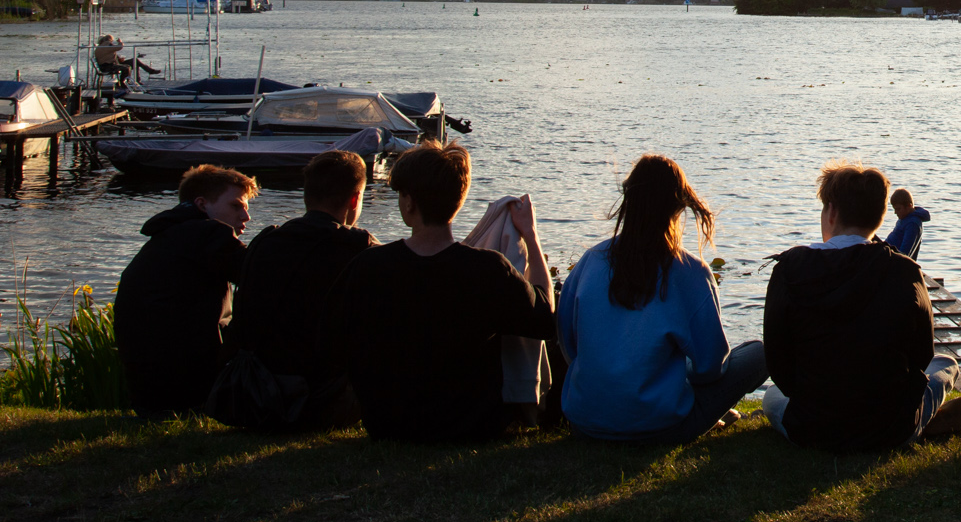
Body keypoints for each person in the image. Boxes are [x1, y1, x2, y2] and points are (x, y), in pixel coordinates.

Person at [328, 139, 559, 442]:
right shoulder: (488, 270)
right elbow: (545, 317)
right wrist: (530, 235)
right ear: (457, 200)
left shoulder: (369, 267)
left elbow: (333, 338)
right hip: (468, 424)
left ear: (409, 202)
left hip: (387, 423)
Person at [762, 161, 961, 450]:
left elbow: (778, 358)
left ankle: (915, 422)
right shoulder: (905, 271)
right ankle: (921, 422)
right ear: (880, 217)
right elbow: (922, 355)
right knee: (944, 365)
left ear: (832, 212)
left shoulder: (789, 269)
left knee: (772, 395)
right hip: (888, 427)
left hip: (812, 426)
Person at [558, 155, 768, 442]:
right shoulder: (689, 272)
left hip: (586, 423)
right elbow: (711, 368)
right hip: (660, 427)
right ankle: (705, 413)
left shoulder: (590, 262)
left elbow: (569, 345)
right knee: (759, 353)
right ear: (679, 205)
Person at [223, 149, 376, 430]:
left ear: (307, 195)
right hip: (323, 401)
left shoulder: (266, 241)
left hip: (259, 395)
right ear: (355, 198)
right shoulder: (360, 247)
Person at [113, 165, 257, 416]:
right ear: (202, 204)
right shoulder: (207, 233)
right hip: (187, 388)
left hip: (148, 390)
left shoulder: (169, 237)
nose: (246, 217)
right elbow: (262, 277)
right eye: (236, 206)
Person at [883, 187, 929, 259]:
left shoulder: (913, 224)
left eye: (898, 209)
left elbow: (905, 253)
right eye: (894, 209)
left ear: (909, 206)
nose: (895, 212)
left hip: (894, 262)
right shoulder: (904, 218)